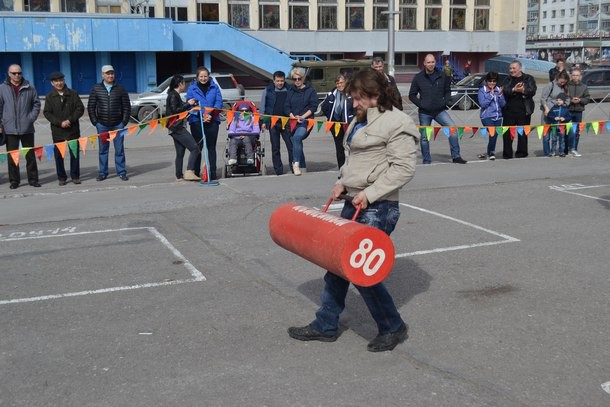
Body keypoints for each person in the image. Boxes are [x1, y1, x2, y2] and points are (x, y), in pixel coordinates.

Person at [287, 68, 419, 353]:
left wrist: (369, 195)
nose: (354, 103)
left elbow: (404, 169)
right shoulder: (360, 120)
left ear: (375, 95)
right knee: (337, 266)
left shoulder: (398, 122)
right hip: (354, 202)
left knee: (360, 271)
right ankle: (326, 324)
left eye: (358, 98)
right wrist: (341, 184)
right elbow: (354, 162)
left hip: (378, 207)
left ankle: (392, 326)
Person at [408, 54, 467, 164]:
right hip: (425, 112)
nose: (431, 64)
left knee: (453, 130)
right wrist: (421, 104)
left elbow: (448, 91)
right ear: (424, 63)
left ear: (435, 63)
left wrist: (444, 102)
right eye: (428, 62)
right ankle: (427, 160)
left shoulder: (442, 75)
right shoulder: (418, 77)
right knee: (425, 137)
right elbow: (412, 95)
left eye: (433, 62)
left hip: (440, 111)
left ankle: (456, 156)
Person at [0, 64, 41, 189]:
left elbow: (36, 104)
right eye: (14, 73)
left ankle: (33, 179)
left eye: (19, 73)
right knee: (12, 156)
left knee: (30, 156)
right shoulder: (2, 88)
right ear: (9, 74)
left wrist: (30, 118)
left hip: (26, 128)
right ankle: (14, 181)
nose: (17, 75)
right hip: (10, 129)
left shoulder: (29, 87)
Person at [87, 65, 131, 181]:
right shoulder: (96, 89)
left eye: (112, 73)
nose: (110, 76)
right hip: (102, 125)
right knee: (103, 150)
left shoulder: (120, 89)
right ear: (103, 75)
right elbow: (91, 107)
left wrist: (123, 122)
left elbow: (126, 106)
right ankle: (103, 172)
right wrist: (95, 122)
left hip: (118, 124)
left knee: (119, 149)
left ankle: (121, 172)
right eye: (107, 73)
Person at [43, 71, 85, 186]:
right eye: (56, 81)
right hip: (58, 131)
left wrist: (69, 120)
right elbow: (47, 113)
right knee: (59, 156)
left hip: (72, 130)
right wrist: (59, 123)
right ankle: (62, 177)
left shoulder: (73, 93)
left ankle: (75, 176)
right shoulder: (49, 97)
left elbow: (80, 109)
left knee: (75, 155)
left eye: (61, 80)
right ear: (52, 83)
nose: (59, 83)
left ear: (64, 81)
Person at [186, 66, 223, 180]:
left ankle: (212, 172)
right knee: (197, 148)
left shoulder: (215, 87)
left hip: (212, 121)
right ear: (197, 77)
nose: (203, 78)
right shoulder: (192, 88)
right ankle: (196, 173)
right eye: (201, 76)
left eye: (205, 76)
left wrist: (210, 115)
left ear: (208, 76)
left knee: (211, 147)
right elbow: (189, 103)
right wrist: (202, 115)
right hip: (197, 121)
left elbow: (218, 102)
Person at [500, 60, 537, 159]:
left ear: (520, 68)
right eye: (510, 68)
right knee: (507, 134)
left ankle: (522, 153)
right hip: (509, 111)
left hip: (524, 111)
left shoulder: (528, 78)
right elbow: (505, 91)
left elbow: (532, 91)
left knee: (523, 134)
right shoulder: (507, 79)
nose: (511, 70)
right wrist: (514, 89)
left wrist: (523, 90)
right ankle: (507, 154)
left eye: (514, 68)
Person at [166, 74, 200, 181]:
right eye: (184, 83)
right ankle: (189, 171)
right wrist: (187, 104)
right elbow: (175, 110)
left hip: (175, 127)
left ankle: (179, 176)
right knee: (195, 148)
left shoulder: (175, 95)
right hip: (177, 128)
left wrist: (189, 106)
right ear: (180, 84)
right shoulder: (173, 95)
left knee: (180, 152)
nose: (185, 85)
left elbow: (178, 108)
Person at [284, 67, 318, 176]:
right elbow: (286, 106)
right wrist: (292, 116)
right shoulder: (290, 91)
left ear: (303, 78)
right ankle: (303, 166)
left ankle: (296, 164)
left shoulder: (310, 90)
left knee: (297, 138)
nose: (297, 81)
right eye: (295, 79)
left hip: (306, 121)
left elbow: (313, 107)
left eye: (299, 78)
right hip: (293, 121)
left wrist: (302, 117)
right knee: (296, 142)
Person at [260, 71, 293, 175]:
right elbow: (263, 107)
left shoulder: (290, 89)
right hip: (273, 123)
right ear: (273, 81)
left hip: (286, 122)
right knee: (275, 147)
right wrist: (263, 121)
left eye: (282, 81)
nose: (280, 83)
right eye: (277, 81)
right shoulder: (268, 90)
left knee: (290, 146)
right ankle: (278, 169)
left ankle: (294, 167)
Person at [321, 74, 354, 169]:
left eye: (341, 82)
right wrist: (330, 117)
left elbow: (355, 108)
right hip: (335, 124)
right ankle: (341, 168)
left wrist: (351, 117)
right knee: (339, 147)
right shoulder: (332, 94)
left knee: (349, 146)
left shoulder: (351, 93)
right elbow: (324, 107)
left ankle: (351, 167)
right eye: (337, 83)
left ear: (345, 82)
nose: (339, 85)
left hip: (348, 124)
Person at [477, 72, 505, 161]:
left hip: (498, 116)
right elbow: (483, 104)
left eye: (494, 81)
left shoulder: (498, 89)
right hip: (486, 116)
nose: (492, 83)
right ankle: (491, 152)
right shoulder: (482, 90)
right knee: (493, 133)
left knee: (494, 135)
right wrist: (491, 95)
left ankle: (489, 151)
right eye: (490, 81)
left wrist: (500, 95)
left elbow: (503, 104)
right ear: (486, 81)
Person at [540, 71, 569, 157]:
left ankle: (559, 151)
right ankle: (546, 152)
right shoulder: (551, 85)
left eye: (564, 82)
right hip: (548, 113)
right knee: (546, 135)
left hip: (559, 115)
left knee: (559, 135)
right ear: (558, 78)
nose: (562, 83)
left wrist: (564, 105)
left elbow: (567, 100)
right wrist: (546, 108)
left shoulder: (565, 88)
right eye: (561, 81)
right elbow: (543, 98)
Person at [566, 68, 590, 157]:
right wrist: (571, 100)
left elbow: (587, 99)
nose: (575, 77)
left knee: (577, 131)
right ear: (571, 76)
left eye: (577, 75)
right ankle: (566, 149)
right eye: (573, 75)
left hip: (578, 111)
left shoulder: (584, 87)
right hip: (568, 110)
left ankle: (574, 149)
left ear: (580, 76)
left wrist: (580, 100)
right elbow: (563, 97)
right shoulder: (567, 85)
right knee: (568, 130)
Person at [545, 93, 572, 157]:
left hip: (562, 127)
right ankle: (553, 152)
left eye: (560, 100)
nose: (558, 101)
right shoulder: (553, 108)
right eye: (557, 100)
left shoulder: (566, 109)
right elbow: (549, 115)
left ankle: (561, 152)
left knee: (562, 140)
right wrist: (554, 118)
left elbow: (569, 117)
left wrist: (564, 119)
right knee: (554, 140)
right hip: (554, 126)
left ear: (563, 101)